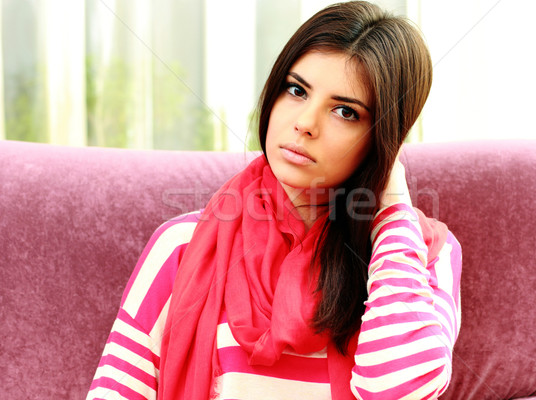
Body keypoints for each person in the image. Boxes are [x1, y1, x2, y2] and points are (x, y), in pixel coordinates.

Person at [86, 1, 462, 399]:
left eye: (345, 111)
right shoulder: (181, 246)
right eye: (296, 90)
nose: (304, 123)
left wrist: (393, 210)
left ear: (383, 138)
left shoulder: (422, 257)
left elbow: (397, 390)